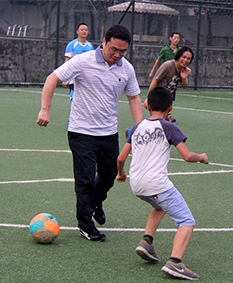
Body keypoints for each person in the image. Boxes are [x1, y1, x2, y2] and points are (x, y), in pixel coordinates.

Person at [36, 25, 143, 242]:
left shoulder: (127, 69)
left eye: (122, 51)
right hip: (81, 131)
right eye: (113, 49)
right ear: (103, 41)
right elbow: (52, 78)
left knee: (109, 175)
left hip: (108, 133)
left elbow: (133, 97)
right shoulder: (83, 61)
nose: (117, 55)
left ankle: (95, 202)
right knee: (84, 179)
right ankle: (85, 224)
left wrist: (140, 125)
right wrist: (45, 109)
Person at [116, 87, 208, 280]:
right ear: (170, 107)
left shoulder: (137, 127)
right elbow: (187, 156)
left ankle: (146, 242)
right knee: (186, 221)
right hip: (156, 184)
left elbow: (121, 157)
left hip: (137, 185)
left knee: (160, 207)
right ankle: (175, 263)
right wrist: (201, 157)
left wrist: (121, 173)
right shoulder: (169, 127)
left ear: (147, 105)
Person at [144, 46, 194, 123]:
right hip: (157, 98)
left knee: (161, 124)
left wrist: (184, 78)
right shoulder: (167, 65)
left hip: (167, 100)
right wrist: (148, 98)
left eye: (188, 58)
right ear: (178, 56)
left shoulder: (183, 69)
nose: (185, 60)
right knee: (158, 122)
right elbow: (155, 80)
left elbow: (184, 86)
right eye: (183, 57)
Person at [62, 23, 94, 101]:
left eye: (86, 30)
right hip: (74, 77)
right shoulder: (72, 44)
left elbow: (92, 62)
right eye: (82, 30)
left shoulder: (90, 46)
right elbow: (67, 61)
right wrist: (65, 78)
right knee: (74, 100)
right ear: (77, 32)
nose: (84, 31)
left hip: (86, 78)